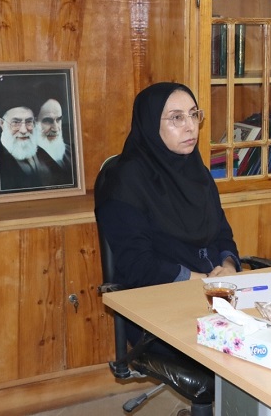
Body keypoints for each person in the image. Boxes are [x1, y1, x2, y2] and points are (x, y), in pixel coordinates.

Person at [95, 82, 241, 345]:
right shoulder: (124, 181)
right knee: (238, 348)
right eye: (176, 118)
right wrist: (203, 281)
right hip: (156, 308)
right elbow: (138, 265)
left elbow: (222, 234)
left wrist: (228, 268)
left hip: (214, 297)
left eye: (194, 114)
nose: (190, 126)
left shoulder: (197, 172)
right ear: (151, 124)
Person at [0, 103, 60, 192]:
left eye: (29, 122)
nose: (24, 130)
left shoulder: (40, 152)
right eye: (16, 123)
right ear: (1, 123)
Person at [36, 98, 75, 185]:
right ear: (34, 122)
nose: (56, 128)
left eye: (58, 120)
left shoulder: (70, 152)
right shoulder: (29, 162)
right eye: (48, 121)